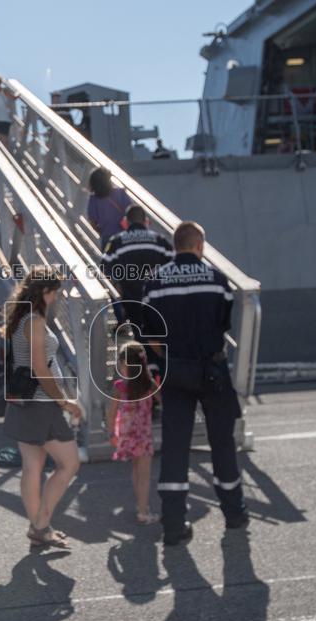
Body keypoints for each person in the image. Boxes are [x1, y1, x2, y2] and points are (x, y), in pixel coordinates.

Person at [141, 220, 249, 547]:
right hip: (213, 370)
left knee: (175, 445)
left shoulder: (156, 282)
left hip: (175, 371)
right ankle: (234, 513)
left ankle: (173, 525)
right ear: (199, 246)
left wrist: (167, 359)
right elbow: (224, 325)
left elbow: (149, 335)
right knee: (222, 442)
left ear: (175, 246)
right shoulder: (217, 280)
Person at [0, 265, 83, 548]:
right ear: (46, 292)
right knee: (70, 462)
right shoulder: (34, 321)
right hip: (41, 405)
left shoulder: (22, 318)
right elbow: (40, 369)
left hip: (27, 403)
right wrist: (65, 401)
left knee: (32, 466)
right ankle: (40, 524)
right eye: (55, 292)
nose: (57, 297)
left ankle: (40, 528)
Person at [101, 204, 174, 374]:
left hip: (132, 299)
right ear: (146, 221)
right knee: (158, 335)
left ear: (125, 222)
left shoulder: (116, 241)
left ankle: (145, 375)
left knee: (140, 336)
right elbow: (173, 265)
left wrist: (117, 285)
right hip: (158, 300)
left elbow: (104, 267)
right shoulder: (160, 240)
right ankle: (159, 372)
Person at [105, 341, 160, 525]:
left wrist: (111, 433)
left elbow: (111, 412)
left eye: (122, 364)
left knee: (137, 470)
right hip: (143, 434)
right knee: (144, 473)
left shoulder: (120, 386)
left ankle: (141, 505)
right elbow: (162, 399)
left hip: (127, 434)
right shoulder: (149, 384)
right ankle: (143, 511)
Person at [86, 167, 133, 249]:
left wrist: (101, 231)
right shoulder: (121, 192)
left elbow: (92, 221)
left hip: (107, 237)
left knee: (109, 260)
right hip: (125, 236)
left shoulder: (93, 199)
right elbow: (131, 212)